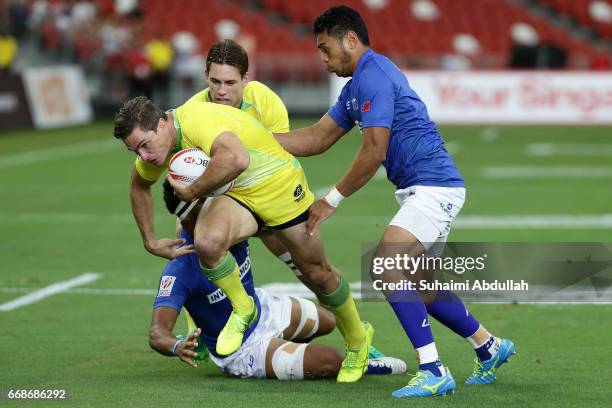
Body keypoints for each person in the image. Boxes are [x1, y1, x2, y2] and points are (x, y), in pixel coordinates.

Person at [274, 6, 515, 398]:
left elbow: (373, 150)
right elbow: (317, 139)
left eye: (325, 48)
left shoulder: (375, 76)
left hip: (435, 187)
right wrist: (258, 138)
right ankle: (488, 346)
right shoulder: (356, 86)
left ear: (349, 40)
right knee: (416, 283)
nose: (322, 58)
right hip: (423, 188)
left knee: (387, 265)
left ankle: (433, 370)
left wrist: (330, 199)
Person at [113, 95, 372, 382]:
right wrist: (149, 241)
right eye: (135, 151)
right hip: (240, 194)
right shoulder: (160, 146)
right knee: (207, 243)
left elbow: (238, 158)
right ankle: (243, 307)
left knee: (316, 273)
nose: (143, 156)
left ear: (162, 124)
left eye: (144, 145)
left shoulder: (197, 121)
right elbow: (139, 185)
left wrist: (192, 191)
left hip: (278, 184)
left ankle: (358, 339)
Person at [149, 180, 407, 380]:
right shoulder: (180, 268)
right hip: (245, 349)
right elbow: (157, 333)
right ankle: (360, 364)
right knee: (330, 360)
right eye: (209, 200)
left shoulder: (229, 225)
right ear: (192, 215)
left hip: (263, 309)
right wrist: (177, 346)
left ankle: (288, 351)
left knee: (329, 321)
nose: (219, 204)